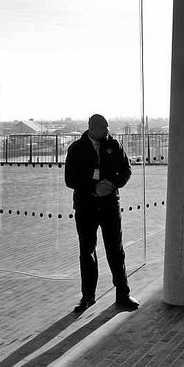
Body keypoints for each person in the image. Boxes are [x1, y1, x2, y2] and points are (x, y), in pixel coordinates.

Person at [64, 114, 139, 314]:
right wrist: (93, 187)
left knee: (115, 249)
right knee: (87, 251)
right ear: (91, 128)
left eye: (107, 129)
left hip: (109, 205)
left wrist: (112, 184)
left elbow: (126, 170)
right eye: (103, 129)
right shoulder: (76, 149)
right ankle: (88, 296)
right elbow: (70, 179)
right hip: (86, 206)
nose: (106, 132)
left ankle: (123, 294)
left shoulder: (114, 145)